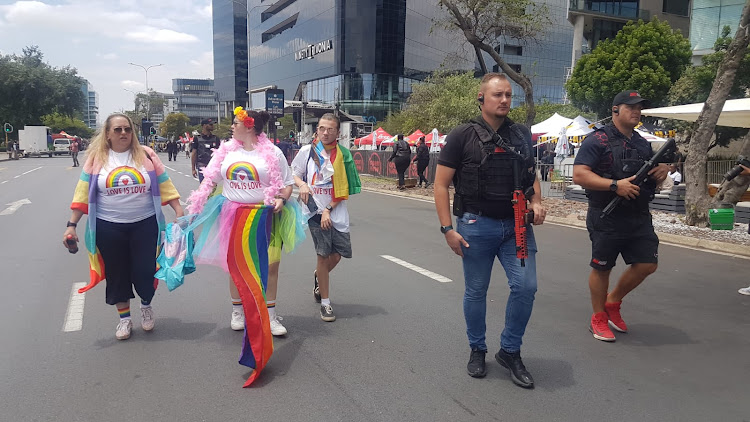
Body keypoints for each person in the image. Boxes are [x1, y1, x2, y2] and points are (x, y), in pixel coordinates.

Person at [433, 73, 546, 389]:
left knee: (526, 287)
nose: (505, 100)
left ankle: (510, 350)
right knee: (476, 291)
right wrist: (447, 230)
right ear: (481, 99)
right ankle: (477, 348)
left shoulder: (522, 134)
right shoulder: (461, 136)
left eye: (509, 95)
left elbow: (530, 176)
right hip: (475, 225)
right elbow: (441, 185)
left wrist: (536, 201)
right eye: (498, 95)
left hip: (517, 227)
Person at [186, 107, 304, 386]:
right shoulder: (226, 150)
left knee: (268, 267)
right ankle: (238, 310)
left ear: (250, 126)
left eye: (236, 122)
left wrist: (281, 199)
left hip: (264, 216)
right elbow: (210, 181)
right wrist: (196, 206)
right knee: (236, 267)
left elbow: (286, 185)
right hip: (233, 215)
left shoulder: (272, 153)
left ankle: (269, 315)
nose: (231, 126)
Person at [64, 113, 183, 340]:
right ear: (107, 134)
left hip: (146, 225)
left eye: (127, 129)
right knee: (117, 274)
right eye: (117, 130)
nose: (123, 133)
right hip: (109, 227)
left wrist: (179, 211)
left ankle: (146, 306)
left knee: (146, 271)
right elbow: (81, 195)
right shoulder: (96, 160)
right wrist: (71, 225)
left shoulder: (146, 155)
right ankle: (124, 319)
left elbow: (165, 184)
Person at [572, 90, 669, 343]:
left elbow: (649, 174)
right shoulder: (597, 140)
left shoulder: (641, 142)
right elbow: (580, 175)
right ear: (615, 110)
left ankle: (612, 302)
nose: (636, 111)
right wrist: (615, 185)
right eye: (631, 107)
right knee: (602, 268)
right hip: (607, 214)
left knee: (648, 264)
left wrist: (661, 170)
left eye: (639, 108)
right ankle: (598, 317)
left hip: (638, 214)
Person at [292, 113, 361, 322]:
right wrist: (302, 184)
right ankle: (326, 303)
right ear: (317, 130)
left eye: (330, 129)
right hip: (314, 210)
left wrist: (330, 209)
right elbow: (294, 173)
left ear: (337, 132)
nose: (325, 132)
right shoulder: (307, 152)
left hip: (336, 211)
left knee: (338, 255)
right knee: (323, 255)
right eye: (322, 128)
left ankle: (318, 275)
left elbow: (345, 187)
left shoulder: (344, 155)